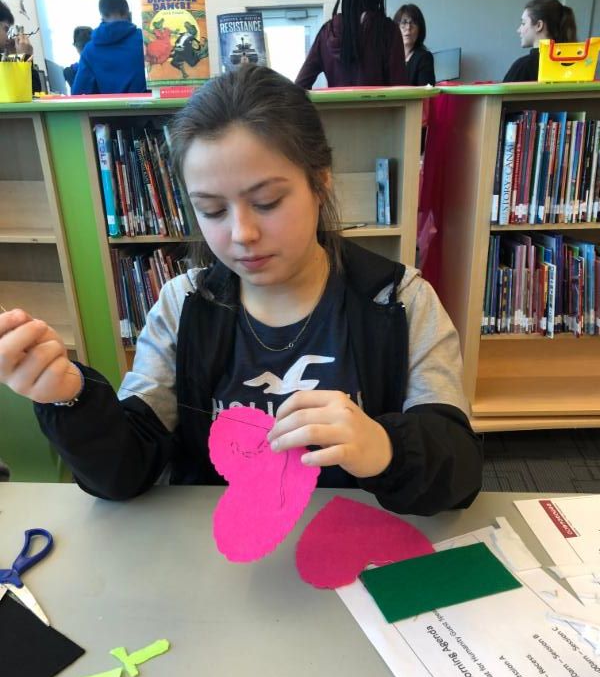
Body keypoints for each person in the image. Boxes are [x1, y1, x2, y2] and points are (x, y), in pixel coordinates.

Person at [0, 65, 482, 515]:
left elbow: (458, 470)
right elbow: (126, 470)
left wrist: (385, 448)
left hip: (361, 556)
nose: (242, 233)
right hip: (217, 556)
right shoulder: (184, 305)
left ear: (320, 184)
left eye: (267, 202)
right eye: (211, 211)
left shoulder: (398, 302)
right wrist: (69, 399)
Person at [295, 0, 406, 89]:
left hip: (336, 112)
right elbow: (402, 91)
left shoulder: (327, 33)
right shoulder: (388, 31)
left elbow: (299, 86)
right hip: (381, 113)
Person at [71, 0, 146, 95]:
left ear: (102, 15)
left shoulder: (90, 50)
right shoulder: (146, 40)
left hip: (108, 110)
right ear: (128, 14)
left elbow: (78, 93)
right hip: (148, 109)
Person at [504, 0, 577, 82]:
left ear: (539, 25)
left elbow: (501, 96)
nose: (519, 30)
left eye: (523, 23)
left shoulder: (524, 66)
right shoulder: (576, 66)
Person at [393, 4, 435, 86]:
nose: (408, 27)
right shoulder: (389, 58)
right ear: (396, 27)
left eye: (413, 23)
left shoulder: (424, 58)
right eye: (404, 22)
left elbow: (426, 94)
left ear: (420, 29)